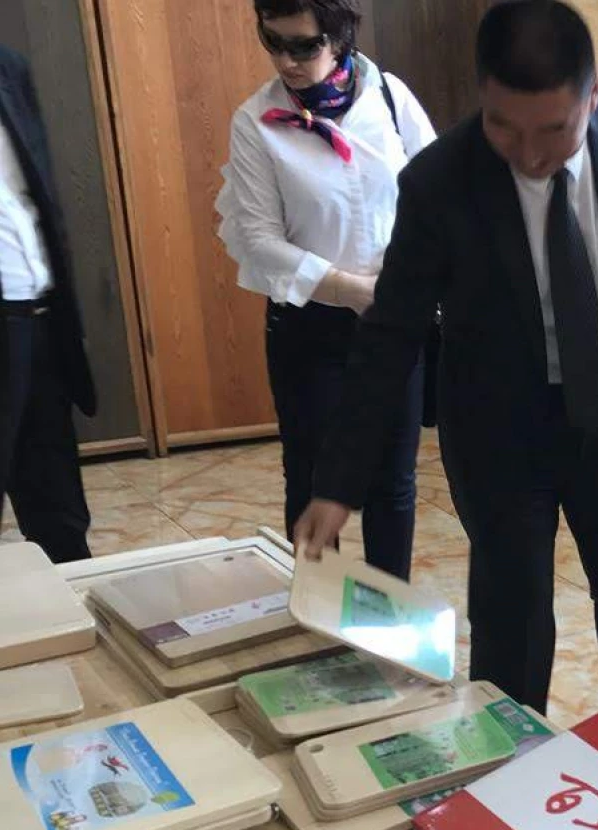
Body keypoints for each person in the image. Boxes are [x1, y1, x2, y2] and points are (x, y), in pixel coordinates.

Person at [295, 0, 598, 742]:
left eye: (553, 129)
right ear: (482, 95)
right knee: (512, 617)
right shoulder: (439, 182)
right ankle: (507, 755)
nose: (529, 154)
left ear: (592, 95)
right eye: (503, 127)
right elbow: (389, 336)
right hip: (499, 431)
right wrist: (338, 481)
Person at [217, 0, 435, 581]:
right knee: (313, 478)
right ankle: (318, 613)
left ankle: (389, 615)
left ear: (339, 38)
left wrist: (413, 281)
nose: (286, 61)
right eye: (273, 42)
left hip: (393, 322)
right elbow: (260, 240)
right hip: (310, 327)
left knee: (393, 482)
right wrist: (351, 290)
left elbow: (436, 194)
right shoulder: (255, 122)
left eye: (303, 46)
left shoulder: (390, 98)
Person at [0, 44, 96, 564]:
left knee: (58, 507)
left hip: (36, 315)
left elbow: (35, 194)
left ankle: (71, 593)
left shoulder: (7, 67)